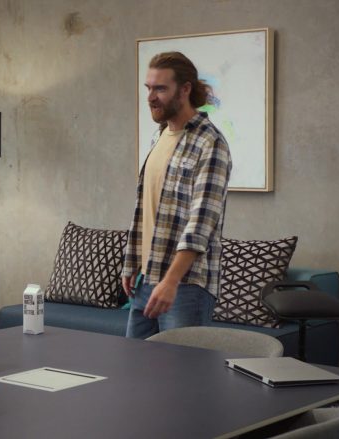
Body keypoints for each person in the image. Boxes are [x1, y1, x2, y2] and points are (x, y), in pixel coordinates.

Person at [122, 51, 232, 339]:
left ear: (185, 89)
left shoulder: (210, 143)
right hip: (146, 280)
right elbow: (145, 208)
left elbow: (201, 224)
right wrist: (131, 264)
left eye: (160, 88)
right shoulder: (159, 136)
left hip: (184, 287)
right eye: (148, 88)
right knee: (134, 375)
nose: (150, 96)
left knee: (182, 380)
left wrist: (171, 281)